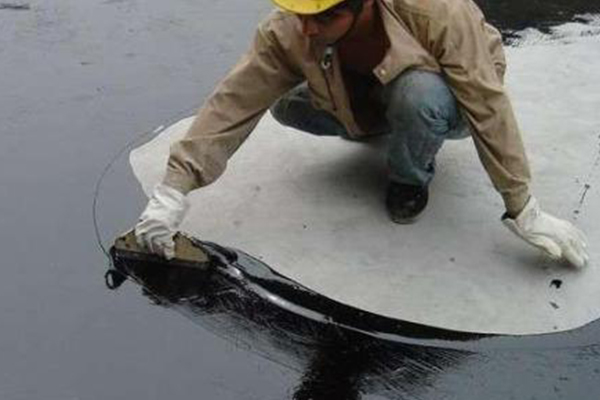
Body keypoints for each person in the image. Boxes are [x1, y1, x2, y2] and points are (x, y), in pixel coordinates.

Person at [135, 0, 589, 268]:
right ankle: (384, 122)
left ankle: (410, 178)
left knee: (418, 97)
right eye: (299, 15)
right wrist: (174, 190)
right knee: (284, 103)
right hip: (371, 92)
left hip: (448, 102)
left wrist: (523, 206)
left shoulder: (437, 11)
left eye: (323, 17)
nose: (307, 28)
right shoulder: (293, 27)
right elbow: (234, 101)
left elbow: (487, 105)